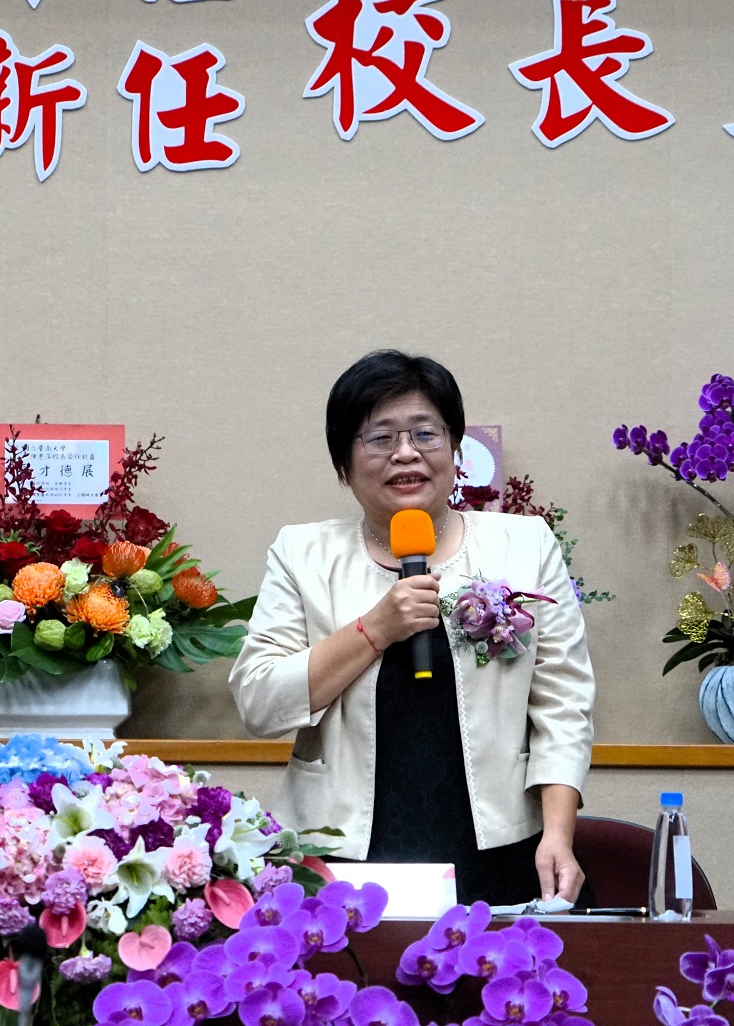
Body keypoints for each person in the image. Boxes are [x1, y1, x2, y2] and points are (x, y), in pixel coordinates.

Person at [229, 350, 596, 906]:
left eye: (426, 433)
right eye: (380, 437)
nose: (406, 453)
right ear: (343, 463)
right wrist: (374, 628)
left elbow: (563, 704)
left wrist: (558, 834)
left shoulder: (524, 545)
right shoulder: (302, 554)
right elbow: (259, 702)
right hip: (343, 845)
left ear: (455, 449)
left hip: (497, 840)